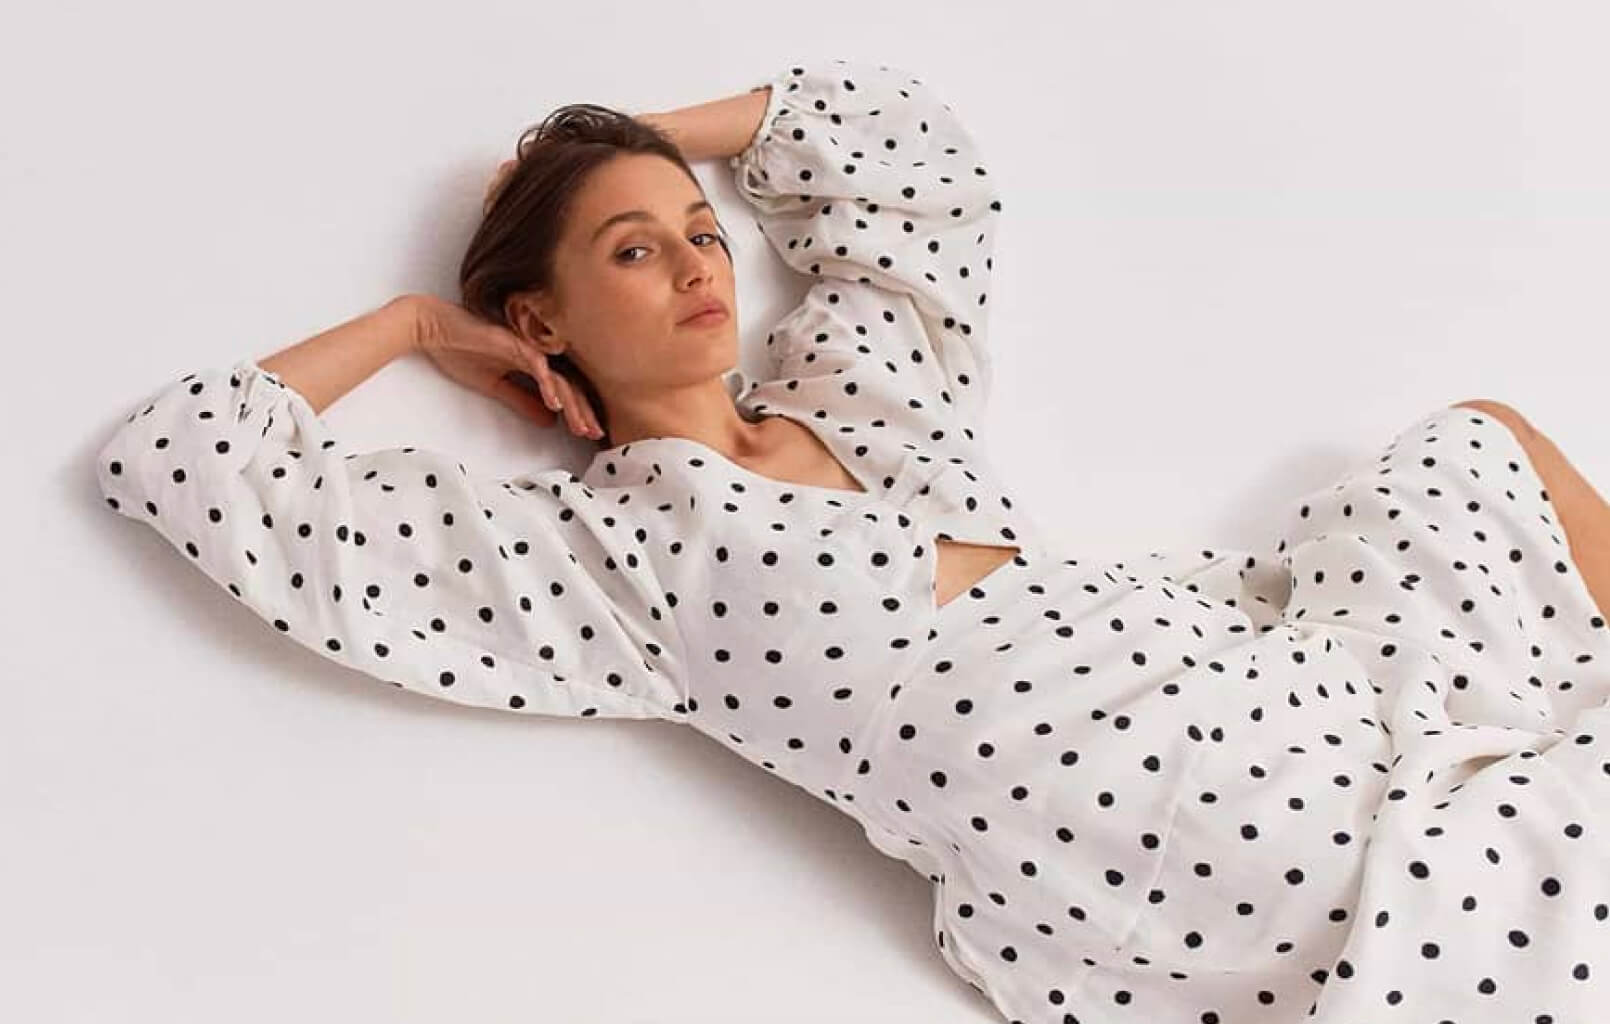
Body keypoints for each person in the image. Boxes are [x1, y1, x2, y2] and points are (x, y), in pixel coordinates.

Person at [95, 58, 1610, 1024]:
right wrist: (419, 325)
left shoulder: (860, 395)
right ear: (541, 320)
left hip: (1262, 679)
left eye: (696, 230)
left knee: (1471, 452)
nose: (698, 263)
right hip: (1150, 827)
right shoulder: (608, 560)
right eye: (634, 249)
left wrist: (634, 138)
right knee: (1518, 880)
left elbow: (902, 158)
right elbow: (192, 465)